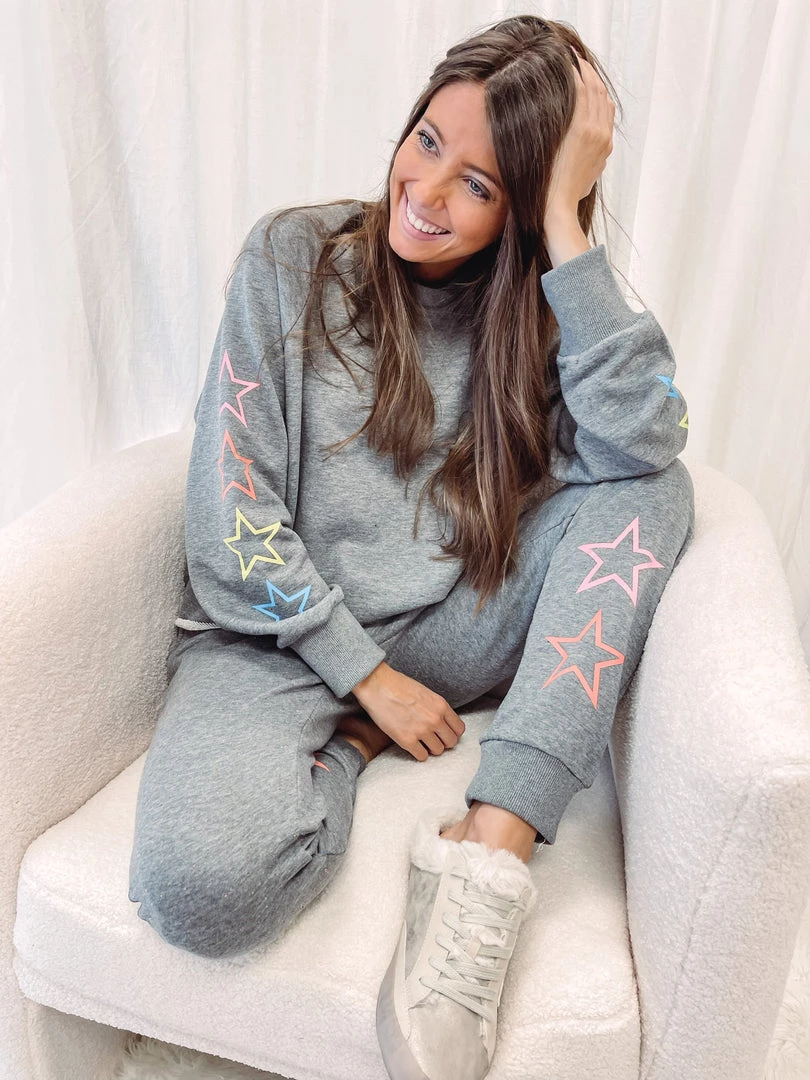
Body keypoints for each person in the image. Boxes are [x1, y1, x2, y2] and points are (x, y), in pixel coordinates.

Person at [128, 14, 694, 1080]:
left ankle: (490, 851)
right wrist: (367, 688)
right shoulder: (291, 260)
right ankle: (352, 743)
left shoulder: (546, 308)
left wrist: (565, 232)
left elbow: (649, 438)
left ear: (524, 206)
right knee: (198, 892)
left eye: (479, 185)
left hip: (458, 626)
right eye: (427, 141)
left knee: (652, 489)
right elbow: (232, 504)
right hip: (278, 637)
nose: (425, 193)